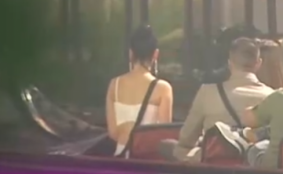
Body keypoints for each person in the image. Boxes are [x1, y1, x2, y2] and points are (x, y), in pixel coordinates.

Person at [160, 37, 272, 162]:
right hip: (253, 164)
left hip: (213, 163)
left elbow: (186, 138)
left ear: (229, 63)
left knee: (168, 146)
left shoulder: (207, 92)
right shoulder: (271, 96)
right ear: (259, 63)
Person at [105, 25, 173, 157]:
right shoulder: (163, 88)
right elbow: (164, 135)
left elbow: (112, 133)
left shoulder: (114, 85)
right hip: (148, 158)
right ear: (156, 54)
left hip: (121, 156)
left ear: (131, 53)